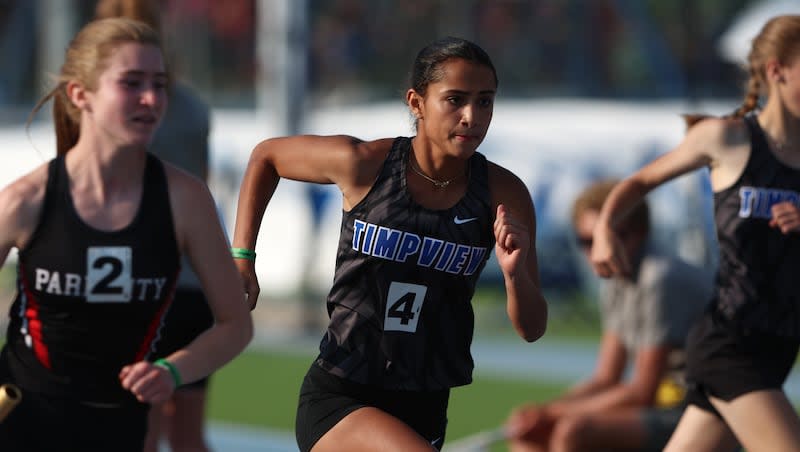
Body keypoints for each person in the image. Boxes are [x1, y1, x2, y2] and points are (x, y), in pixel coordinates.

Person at [231, 36, 548, 451]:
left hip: (426, 400)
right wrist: (242, 257)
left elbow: (532, 328)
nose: (472, 116)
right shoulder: (364, 164)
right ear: (416, 103)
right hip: (343, 393)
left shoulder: (504, 194)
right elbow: (266, 157)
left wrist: (514, 274)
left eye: (485, 101)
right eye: (455, 100)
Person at [0, 17, 252, 451]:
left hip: (120, 428)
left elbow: (235, 326)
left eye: (159, 83)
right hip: (23, 421)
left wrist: (172, 371)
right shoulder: (27, 200)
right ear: (81, 95)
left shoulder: (185, 200)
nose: (151, 98)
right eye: (131, 83)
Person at [590, 14, 800, 452]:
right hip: (729, 343)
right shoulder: (728, 138)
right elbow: (640, 183)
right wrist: (606, 227)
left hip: (777, 347)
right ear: (777, 71)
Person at [505, 179, 713, 452]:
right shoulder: (614, 277)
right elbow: (606, 377)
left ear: (638, 234)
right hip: (665, 404)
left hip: (704, 411)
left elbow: (642, 391)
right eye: (585, 241)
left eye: (605, 238)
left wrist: (555, 414)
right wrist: (544, 412)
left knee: (573, 431)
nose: (594, 252)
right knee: (532, 433)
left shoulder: (659, 277)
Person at [92, 1, 215, 451]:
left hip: (135, 284)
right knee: (186, 435)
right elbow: (202, 187)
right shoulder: (194, 108)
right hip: (192, 280)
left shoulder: (108, 112)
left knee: (135, 430)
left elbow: (91, 198)